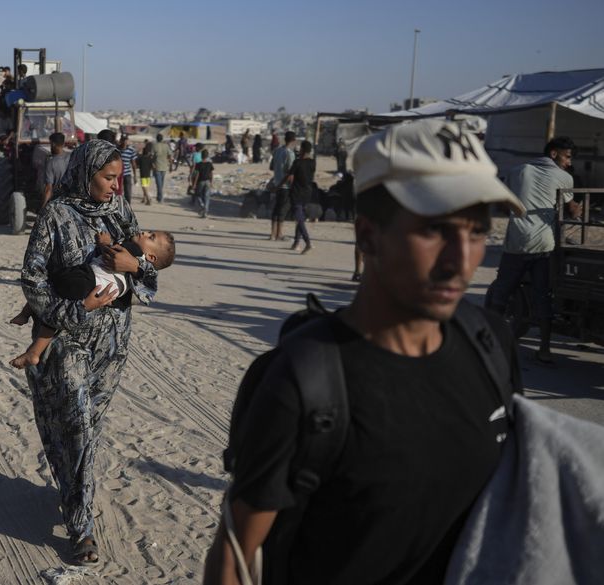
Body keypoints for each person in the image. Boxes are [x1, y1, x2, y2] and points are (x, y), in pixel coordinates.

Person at [203, 119, 526, 585]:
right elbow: (235, 557)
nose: (462, 259)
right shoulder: (307, 381)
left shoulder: (489, 344)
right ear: (369, 236)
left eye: (477, 232)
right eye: (435, 230)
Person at [20, 139, 160, 565]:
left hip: (113, 343)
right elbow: (33, 279)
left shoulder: (120, 214)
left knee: (89, 426)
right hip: (68, 338)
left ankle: (70, 490)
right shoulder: (55, 215)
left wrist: (135, 269)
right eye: (108, 177)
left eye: (119, 178)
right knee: (77, 421)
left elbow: (149, 270)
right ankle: (82, 526)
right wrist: (75, 309)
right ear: (85, 173)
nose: (115, 186)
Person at [10, 229, 175, 368]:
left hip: (88, 281)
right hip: (97, 289)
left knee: (51, 288)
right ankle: (32, 341)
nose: (145, 232)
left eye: (151, 237)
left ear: (151, 257)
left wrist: (103, 242)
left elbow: (111, 253)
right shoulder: (143, 273)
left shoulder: (133, 250)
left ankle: (32, 343)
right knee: (54, 293)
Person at [485, 136, 580, 364]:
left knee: (501, 294)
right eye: (567, 157)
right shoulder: (564, 177)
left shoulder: (517, 170)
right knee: (542, 296)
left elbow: (500, 204)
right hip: (545, 245)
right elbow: (571, 212)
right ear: (554, 154)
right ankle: (545, 349)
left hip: (516, 244)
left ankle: (489, 344)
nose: (569, 162)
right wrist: (578, 208)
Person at [280, 139, 316, 254]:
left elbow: (290, 178)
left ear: (302, 150)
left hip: (296, 193)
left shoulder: (297, 162)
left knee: (299, 219)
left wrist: (278, 186)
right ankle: (296, 243)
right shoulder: (313, 162)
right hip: (308, 193)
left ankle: (308, 242)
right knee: (300, 217)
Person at [269, 131, 296, 241]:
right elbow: (291, 173)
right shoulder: (290, 153)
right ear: (294, 141)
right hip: (285, 186)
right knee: (282, 210)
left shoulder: (277, 151)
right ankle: (279, 234)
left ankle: (272, 234)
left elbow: (271, 167)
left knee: (276, 209)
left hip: (276, 185)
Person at [42, 132, 71, 206]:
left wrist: (43, 206)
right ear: (63, 143)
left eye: (50, 143)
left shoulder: (51, 163)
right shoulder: (72, 157)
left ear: (53, 144)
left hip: (59, 201)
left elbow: (48, 189)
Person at [191, 150, 214, 218]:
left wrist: (194, 184)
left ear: (201, 156)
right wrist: (211, 182)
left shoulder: (199, 164)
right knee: (207, 197)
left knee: (198, 195)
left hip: (200, 182)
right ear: (207, 156)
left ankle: (202, 205)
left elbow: (197, 175)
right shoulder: (209, 164)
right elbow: (211, 174)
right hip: (207, 181)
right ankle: (205, 213)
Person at [152, 133, 171, 203]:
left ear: (156, 138)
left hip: (157, 166)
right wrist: (170, 165)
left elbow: (151, 156)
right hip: (164, 166)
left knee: (159, 184)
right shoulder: (166, 146)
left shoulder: (154, 146)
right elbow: (170, 156)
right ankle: (159, 196)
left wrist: (152, 164)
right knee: (161, 183)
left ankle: (160, 198)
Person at [119, 135, 138, 204]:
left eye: (125, 140)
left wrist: (135, 176)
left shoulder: (131, 150)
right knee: (119, 192)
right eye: (123, 140)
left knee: (128, 192)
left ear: (127, 141)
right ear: (120, 141)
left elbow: (133, 164)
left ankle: (128, 206)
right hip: (118, 174)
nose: (124, 142)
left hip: (127, 174)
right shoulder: (116, 149)